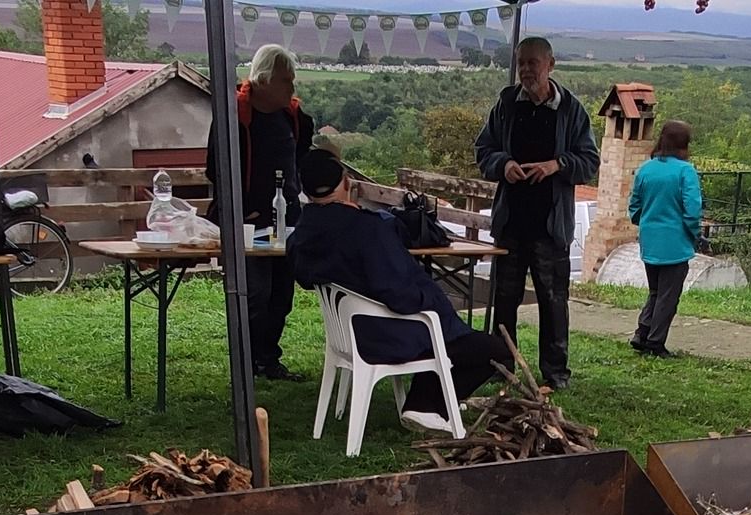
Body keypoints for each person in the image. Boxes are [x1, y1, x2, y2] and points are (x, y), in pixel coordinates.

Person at [285, 148, 512, 429]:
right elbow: (399, 295)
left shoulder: (304, 230)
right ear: (346, 182)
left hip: (350, 333)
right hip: (389, 334)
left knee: (452, 339)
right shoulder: (367, 230)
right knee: (494, 350)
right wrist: (428, 300)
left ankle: (426, 401)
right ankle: (427, 405)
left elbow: (305, 276)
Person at [473, 37, 598, 388]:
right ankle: (503, 366)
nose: (526, 70)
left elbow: (589, 162)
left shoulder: (571, 110)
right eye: (521, 63)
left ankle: (555, 374)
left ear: (550, 65)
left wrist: (556, 165)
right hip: (511, 222)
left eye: (533, 63)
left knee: (554, 303)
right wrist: (504, 163)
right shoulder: (507, 104)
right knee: (504, 301)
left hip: (550, 225)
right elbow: (484, 150)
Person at [204, 44, 311, 380]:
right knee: (255, 293)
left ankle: (267, 359)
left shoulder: (293, 118)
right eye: (285, 80)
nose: (291, 88)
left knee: (282, 295)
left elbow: (302, 161)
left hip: (286, 219)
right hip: (247, 221)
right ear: (264, 79)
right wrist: (241, 210)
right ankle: (246, 362)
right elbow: (215, 169)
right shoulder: (234, 116)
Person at [625, 120, 705, 358]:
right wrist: (694, 233)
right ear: (684, 145)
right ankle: (655, 342)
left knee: (655, 291)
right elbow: (692, 210)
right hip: (675, 242)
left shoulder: (646, 169)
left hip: (650, 240)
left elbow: (634, 207)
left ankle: (642, 333)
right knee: (668, 296)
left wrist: (648, 222)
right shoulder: (685, 171)